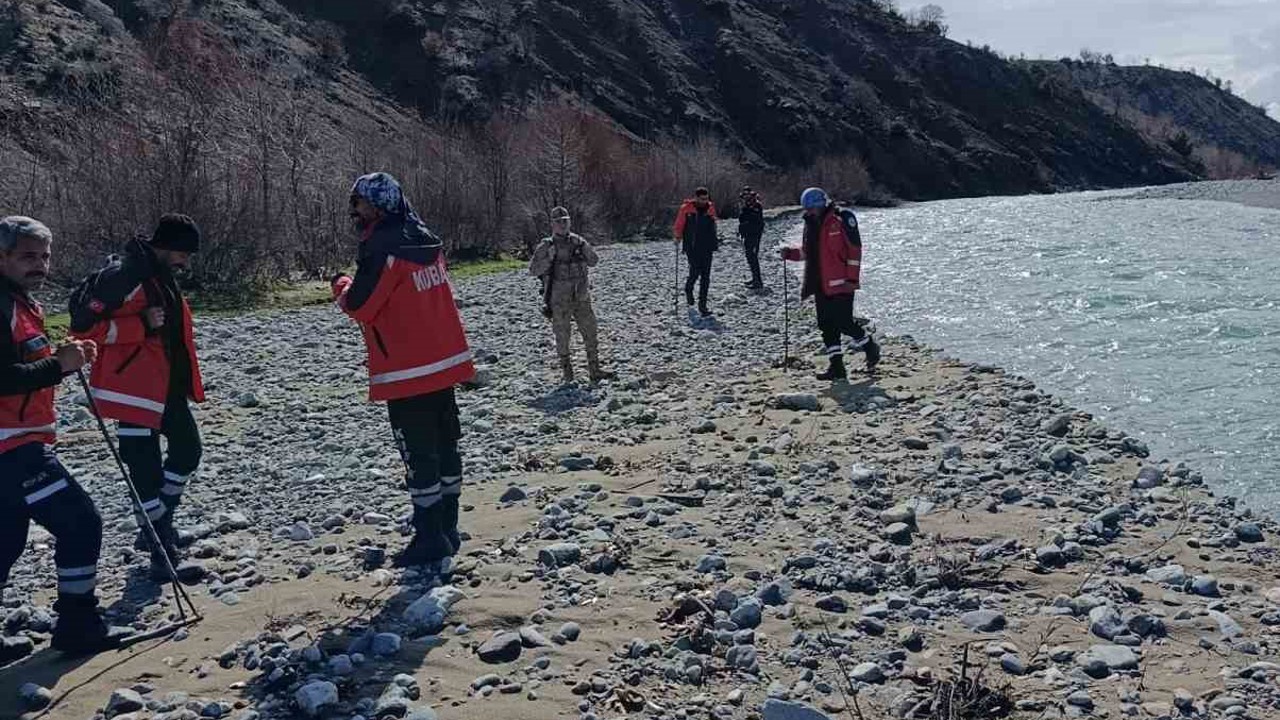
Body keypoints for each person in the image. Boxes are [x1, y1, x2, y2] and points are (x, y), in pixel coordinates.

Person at [332, 172, 475, 571]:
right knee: (448, 445)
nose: (354, 212)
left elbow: (361, 305)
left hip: (406, 369)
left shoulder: (382, 247)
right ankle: (449, 528)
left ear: (375, 207)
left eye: (358, 204)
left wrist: (341, 285)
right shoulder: (426, 240)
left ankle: (429, 537)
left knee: (418, 454)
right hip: (444, 363)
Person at [1, 216, 120, 657]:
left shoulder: (19, 301)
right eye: (28, 256)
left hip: (18, 440)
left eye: (45, 256)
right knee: (80, 521)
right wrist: (60, 365)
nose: (40, 264)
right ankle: (78, 624)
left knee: (6, 540)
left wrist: (64, 359)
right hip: (11, 449)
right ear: (3, 257)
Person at [70, 214, 205, 582]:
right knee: (144, 472)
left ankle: (159, 525)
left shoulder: (157, 272)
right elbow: (82, 328)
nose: (185, 262)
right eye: (182, 254)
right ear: (165, 246)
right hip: (133, 392)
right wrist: (140, 325)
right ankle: (161, 549)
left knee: (188, 450)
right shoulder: (125, 277)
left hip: (165, 390)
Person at [781, 187, 881, 380]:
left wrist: (852, 279)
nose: (809, 212)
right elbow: (807, 252)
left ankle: (870, 346)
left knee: (844, 323)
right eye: (806, 209)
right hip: (820, 283)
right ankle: (837, 367)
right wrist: (791, 254)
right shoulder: (809, 224)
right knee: (826, 325)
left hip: (842, 283)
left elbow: (854, 251)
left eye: (811, 208)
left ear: (821, 204)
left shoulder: (842, 219)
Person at [529, 207, 614, 384]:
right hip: (559, 300)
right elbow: (533, 270)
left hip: (581, 297)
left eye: (565, 221)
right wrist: (549, 259)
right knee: (562, 336)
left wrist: (585, 249)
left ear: (569, 222)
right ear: (552, 224)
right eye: (558, 221)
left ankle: (595, 370)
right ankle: (568, 374)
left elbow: (594, 261)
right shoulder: (546, 246)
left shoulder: (579, 241)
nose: (562, 224)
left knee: (591, 332)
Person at [673, 187, 720, 317]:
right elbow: (679, 224)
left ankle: (703, 306)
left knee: (706, 276)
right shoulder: (686, 209)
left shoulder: (710, 208)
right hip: (692, 247)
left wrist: (715, 241)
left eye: (706, 198)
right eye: (702, 199)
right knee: (695, 272)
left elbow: (714, 225)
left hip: (707, 247)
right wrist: (677, 237)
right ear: (696, 197)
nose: (705, 201)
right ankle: (689, 289)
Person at [737, 186, 766, 290]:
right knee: (750, 258)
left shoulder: (756, 205)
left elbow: (754, 219)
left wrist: (747, 209)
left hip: (754, 234)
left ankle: (758, 281)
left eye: (747, 194)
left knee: (753, 257)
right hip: (747, 234)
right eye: (744, 195)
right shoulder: (745, 205)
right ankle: (754, 278)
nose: (746, 196)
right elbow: (742, 218)